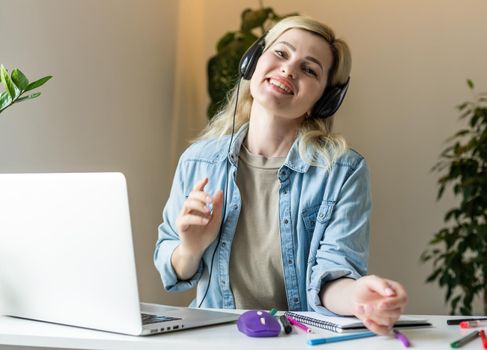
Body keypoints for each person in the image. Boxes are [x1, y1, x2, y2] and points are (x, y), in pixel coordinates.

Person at [154, 15, 407, 335]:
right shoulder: (197, 162)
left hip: (299, 339)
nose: (289, 70)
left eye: (309, 69)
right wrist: (190, 248)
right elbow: (171, 269)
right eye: (281, 53)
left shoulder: (342, 172)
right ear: (253, 63)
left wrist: (360, 297)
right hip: (214, 337)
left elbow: (331, 279)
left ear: (324, 100)